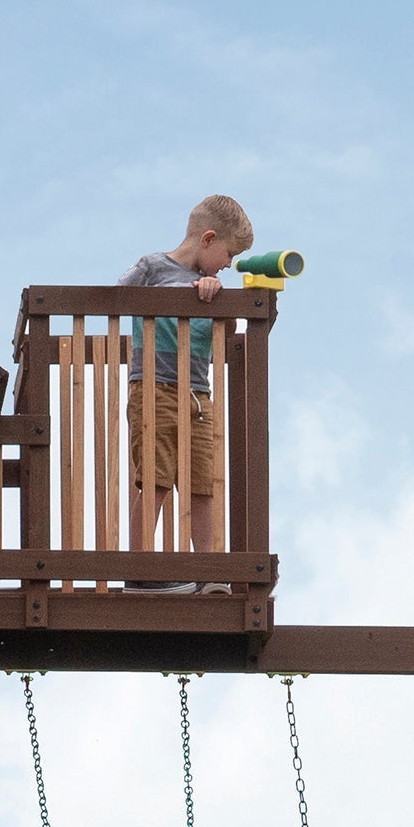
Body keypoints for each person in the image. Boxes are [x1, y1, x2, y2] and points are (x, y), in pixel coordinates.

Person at [120, 193, 255, 570]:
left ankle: (209, 570)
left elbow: (225, 337)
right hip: (154, 388)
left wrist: (220, 305)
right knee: (156, 478)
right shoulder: (152, 267)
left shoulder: (212, 287)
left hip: (199, 397)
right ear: (208, 239)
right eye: (228, 255)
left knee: (202, 485)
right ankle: (139, 568)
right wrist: (184, 296)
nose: (228, 265)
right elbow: (118, 295)